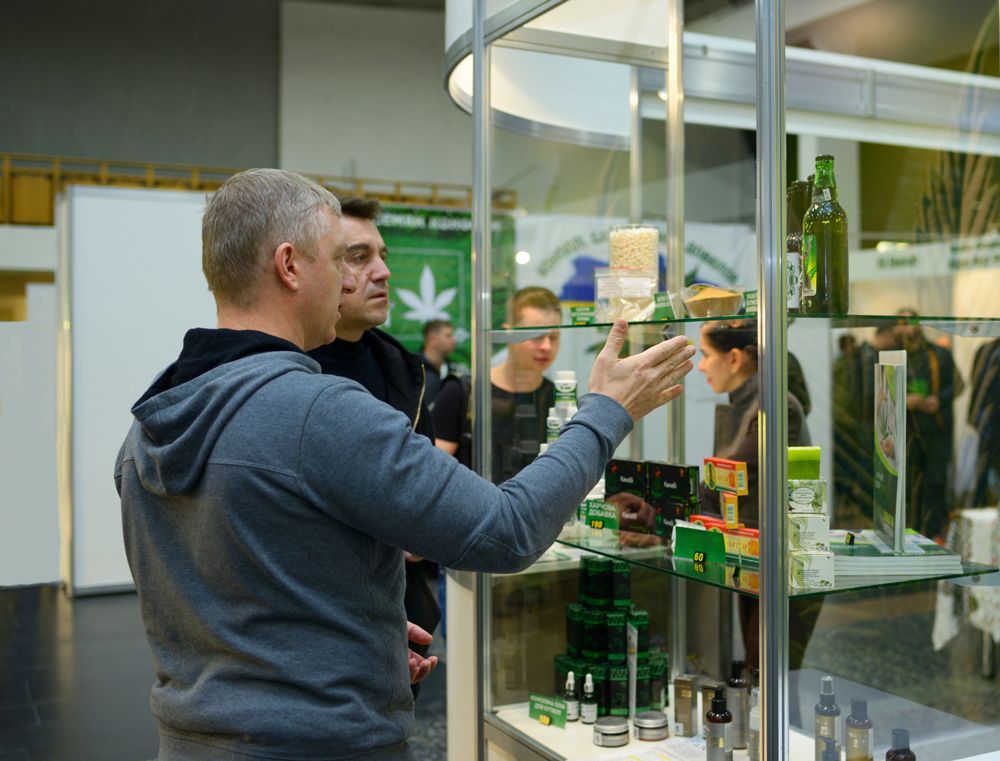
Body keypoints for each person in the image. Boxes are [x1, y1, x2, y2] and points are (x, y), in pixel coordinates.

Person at [115, 168, 696, 760]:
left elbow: (229, 595)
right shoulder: (321, 411)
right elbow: (506, 531)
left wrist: (358, 634)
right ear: (290, 266)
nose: (353, 279)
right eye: (340, 258)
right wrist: (604, 413)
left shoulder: (150, 425)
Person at [306, 196, 440, 694]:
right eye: (358, 257)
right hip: (312, 634)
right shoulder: (282, 373)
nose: (382, 272)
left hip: (402, 618)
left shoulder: (406, 371)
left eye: (383, 256)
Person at [696, 320, 816, 707]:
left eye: (705, 356)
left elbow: (726, 476)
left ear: (733, 358)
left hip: (786, 561)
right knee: (756, 676)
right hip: (752, 551)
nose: (700, 366)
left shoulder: (777, 407)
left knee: (771, 682)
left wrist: (662, 496)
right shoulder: (746, 404)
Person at [433, 286, 561, 482]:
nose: (546, 346)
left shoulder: (559, 398)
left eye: (553, 337)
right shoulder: (462, 392)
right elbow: (433, 474)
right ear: (508, 334)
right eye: (535, 335)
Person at [894, 308, 963, 540]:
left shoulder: (938, 354)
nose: (904, 327)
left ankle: (934, 534)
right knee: (908, 486)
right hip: (905, 432)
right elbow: (878, 392)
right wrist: (903, 401)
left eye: (908, 321)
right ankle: (910, 534)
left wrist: (938, 399)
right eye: (900, 322)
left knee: (935, 484)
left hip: (935, 431)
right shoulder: (891, 355)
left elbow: (959, 383)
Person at [419, 318, 456, 406]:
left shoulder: (453, 369)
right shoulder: (414, 369)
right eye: (448, 335)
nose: (454, 340)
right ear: (432, 339)